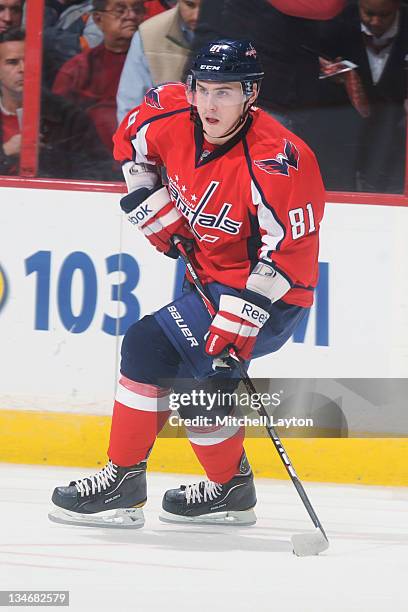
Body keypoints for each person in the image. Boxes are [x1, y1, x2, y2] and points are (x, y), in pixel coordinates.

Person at [49, 39, 325, 529]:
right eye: (204, 90)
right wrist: (145, 196)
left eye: (226, 92)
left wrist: (241, 320)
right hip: (207, 281)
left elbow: (288, 254)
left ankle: (138, 481)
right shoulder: (168, 111)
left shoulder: (281, 160)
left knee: (156, 350)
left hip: (272, 295)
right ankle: (225, 489)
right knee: (189, 376)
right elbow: (133, 147)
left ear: (251, 93)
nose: (211, 104)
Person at [317, 0, 407, 192]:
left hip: (398, 132)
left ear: (397, 7)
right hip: (342, 128)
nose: (375, 21)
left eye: (384, 15)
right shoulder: (334, 23)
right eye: (368, 13)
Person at [0, 28, 114, 179]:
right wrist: (5, 152)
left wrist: (48, 157)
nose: (23, 69)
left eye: (30, 60)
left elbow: (98, 172)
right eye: (12, 62)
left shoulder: (69, 117)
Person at [52, 0, 145, 153]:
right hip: (90, 163)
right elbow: (58, 130)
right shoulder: (77, 70)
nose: (131, 16)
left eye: (137, 9)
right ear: (97, 19)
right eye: (120, 10)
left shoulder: (154, 63)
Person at [116, 0, 201, 122]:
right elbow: (130, 108)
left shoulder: (236, 30)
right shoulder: (148, 34)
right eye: (190, 5)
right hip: (163, 136)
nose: (196, 15)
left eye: (206, 6)